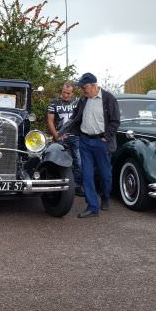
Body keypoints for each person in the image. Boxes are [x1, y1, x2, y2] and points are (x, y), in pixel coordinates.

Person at [58, 72, 120, 218]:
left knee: (105, 175)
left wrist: (106, 137)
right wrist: (64, 131)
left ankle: (105, 197)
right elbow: (75, 117)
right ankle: (92, 207)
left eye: (84, 87)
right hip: (85, 141)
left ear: (94, 86)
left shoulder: (108, 98)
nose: (82, 90)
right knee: (87, 175)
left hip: (102, 143)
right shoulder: (83, 100)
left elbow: (115, 121)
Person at [47, 82, 83, 196]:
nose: (65, 95)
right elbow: (50, 121)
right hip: (60, 137)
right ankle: (58, 187)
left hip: (75, 136)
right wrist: (56, 135)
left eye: (68, 93)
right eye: (64, 92)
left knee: (79, 162)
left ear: (72, 92)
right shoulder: (54, 103)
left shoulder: (77, 102)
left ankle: (76, 186)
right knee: (59, 161)